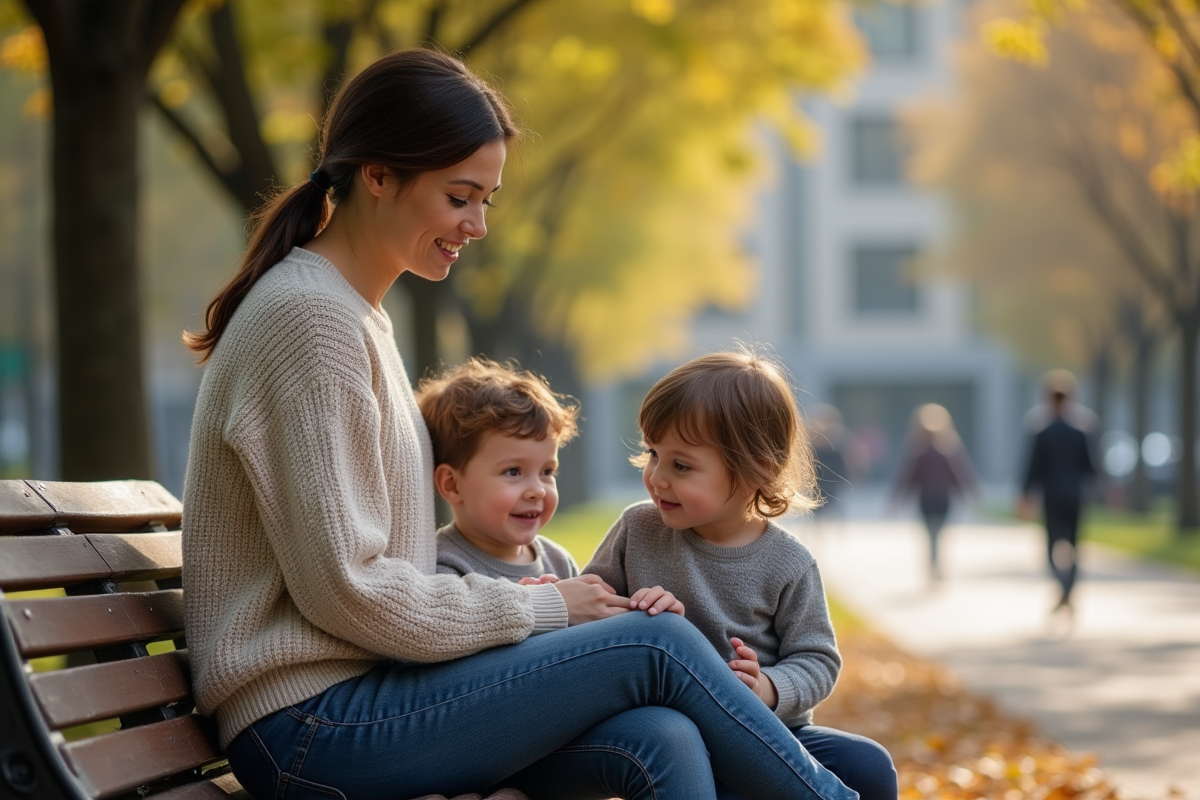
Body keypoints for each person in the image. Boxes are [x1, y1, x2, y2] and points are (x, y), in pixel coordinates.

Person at [180, 49, 858, 800]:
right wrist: (544, 606)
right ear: (378, 175)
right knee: (654, 645)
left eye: (486, 201)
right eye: (460, 196)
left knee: (662, 738)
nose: (476, 225)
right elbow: (349, 591)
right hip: (309, 727)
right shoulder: (310, 321)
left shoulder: (354, 317)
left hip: (361, 699)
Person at [583, 349, 898, 800]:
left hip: (765, 736)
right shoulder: (638, 528)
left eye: (682, 465)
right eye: (653, 454)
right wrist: (618, 608)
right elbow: (592, 619)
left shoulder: (788, 562)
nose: (657, 478)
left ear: (758, 469)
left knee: (868, 765)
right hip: (676, 738)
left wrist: (768, 686)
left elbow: (817, 660)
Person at [417, 358, 581, 582]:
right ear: (452, 485)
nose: (538, 491)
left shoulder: (559, 562)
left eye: (547, 471)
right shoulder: (443, 568)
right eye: (513, 471)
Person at [1019, 369, 1096, 616]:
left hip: (1052, 496)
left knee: (1052, 545)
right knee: (1073, 545)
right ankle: (1068, 589)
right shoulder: (1081, 430)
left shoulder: (1041, 431)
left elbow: (1031, 466)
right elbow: (1090, 466)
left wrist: (1025, 495)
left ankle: (1062, 586)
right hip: (1074, 495)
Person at [891, 404, 977, 583]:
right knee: (938, 533)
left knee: (931, 533)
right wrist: (970, 493)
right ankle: (936, 564)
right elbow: (960, 474)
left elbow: (907, 477)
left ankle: (933, 563)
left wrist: (897, 498)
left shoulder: (917, 449)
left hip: (926, 499)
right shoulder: (948, 447)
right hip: (943, 498)